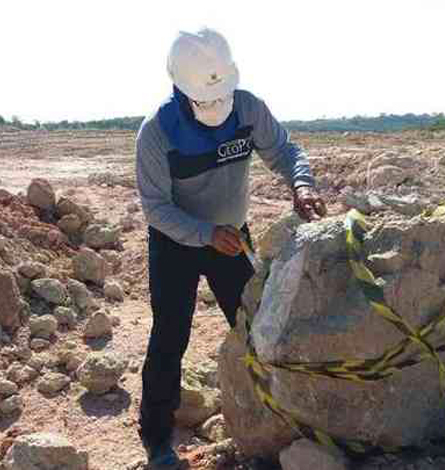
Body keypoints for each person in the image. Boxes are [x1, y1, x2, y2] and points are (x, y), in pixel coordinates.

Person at [135, 27, 325, 468]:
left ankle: (277, 420)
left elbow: (285, 150)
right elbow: (156, 209)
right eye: (206, 102)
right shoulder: (157, 132)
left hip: (232, 238)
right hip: (176, 244)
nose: (217, 108)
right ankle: (157, 437)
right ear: (181, 88)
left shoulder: (248, 107)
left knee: (258, 327)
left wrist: (301, 183)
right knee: (170, 336)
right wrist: (204, 233)